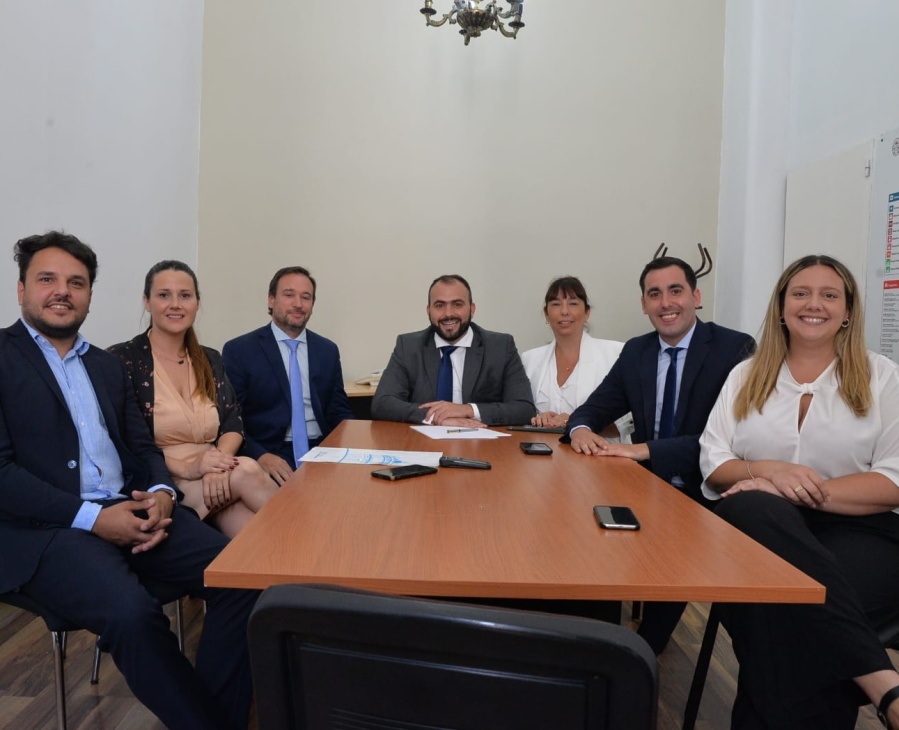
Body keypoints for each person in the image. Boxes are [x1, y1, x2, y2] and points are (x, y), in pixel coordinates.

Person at [0, 232, 256, 729]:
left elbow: (142, 448)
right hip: (50, 530)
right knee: (133, 615)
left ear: (89, 295)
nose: (62, 291)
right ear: (21, 290)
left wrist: (162, 493)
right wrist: (94, 519)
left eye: (76, 283)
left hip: (136, 509)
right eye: (47, 279)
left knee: (242, 579)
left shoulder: (105, 365)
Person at [699, 254, 899, 730]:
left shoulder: (883, 376)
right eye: (801, 293)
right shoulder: (745, 375)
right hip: (758, 530)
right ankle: (881, 683)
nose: (814, 304)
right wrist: (769, 472)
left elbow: (893, 481)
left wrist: (790, 491)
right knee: (751, 507)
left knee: (778, 616)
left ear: (847, 311)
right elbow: (714, 461)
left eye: (829, 295)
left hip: (863, 531)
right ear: (782, 307)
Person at [564, 256, 755, 654]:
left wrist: (642, 450)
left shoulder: (733, 349)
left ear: (696, 297)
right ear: (644, 304)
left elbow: (730, 440)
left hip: (706, 492)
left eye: (675, 291)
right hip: (645, 487)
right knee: (579, 523)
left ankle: (640, 652)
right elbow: (593, 408)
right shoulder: (637, 351)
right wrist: (581, 431)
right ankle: (594, 643)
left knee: (675, 543)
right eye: (655, 294)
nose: (665, 303)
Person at [109, 260, 277, 538]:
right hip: (166, 480)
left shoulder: (209, 358)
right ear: (147, 302)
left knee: (261, 540)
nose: (175, 304)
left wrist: (217, 465)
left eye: (185, 295)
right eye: (164, 295)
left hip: (218, 476)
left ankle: (309, 555)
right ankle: (318, 541)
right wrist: (190, 469)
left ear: (197, 303)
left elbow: (233, 424)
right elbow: (125, 442)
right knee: (248, 469)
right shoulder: (122, 360)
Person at [222, 266, 353, 485]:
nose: (298, 304)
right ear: (271, 300)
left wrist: (354, 447)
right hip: (271, 451)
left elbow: (339, 410)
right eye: (289, 295)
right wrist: (260, 456)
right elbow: (231, 420)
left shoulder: (327, 350)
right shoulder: (240, 350)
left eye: (306, 297)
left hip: (322, 449)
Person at [371, 274, 536, 427]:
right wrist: (437, 417)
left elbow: (524, 409)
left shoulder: (500, 347)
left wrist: (468, 410)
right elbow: (382, 404)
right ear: (428, 311)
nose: (448, 314)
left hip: (481, 441)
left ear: (472, 309)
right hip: (424, 442)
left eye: (457, 304)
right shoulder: (408, 346)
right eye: (439, 305)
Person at [520, 276, 632, 439]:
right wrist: (538, 419)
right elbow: (521, 414)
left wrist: (576, 422)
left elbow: (627, 423)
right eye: (556, 304)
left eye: (573, 303)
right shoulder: (529, 360)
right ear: (546, 314)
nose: (564, 311)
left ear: (587, 312)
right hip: (543, 451)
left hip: (602, 451)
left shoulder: (616, 354)